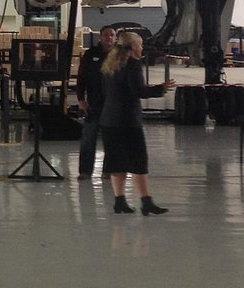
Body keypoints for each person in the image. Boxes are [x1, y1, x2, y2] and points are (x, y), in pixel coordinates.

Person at [100, 31, 175, 215]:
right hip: (127, 121)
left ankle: (119, 201)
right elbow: (138, 91)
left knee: (116, 162)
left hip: (109, 119)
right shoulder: (132, 65)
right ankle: (146, 201)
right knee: (138, 161)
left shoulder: (110, 64)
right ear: (133, 47)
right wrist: (160, 89)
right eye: (140, 45)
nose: (142, 48)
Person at [75, 25, 117, 179]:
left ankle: (108, 171)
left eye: (112, 35)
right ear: (100, 37)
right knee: (88, 139)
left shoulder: (120, 55)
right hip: (94, 105)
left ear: (116, 38)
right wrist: (81, 99)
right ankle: (85, 172)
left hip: (113, 106)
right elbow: (82, 78)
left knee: (111, 140)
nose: (109, 37)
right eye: (106, 35)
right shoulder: (91, 54)